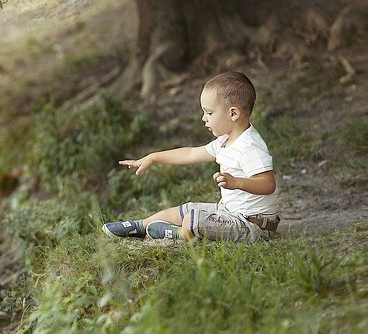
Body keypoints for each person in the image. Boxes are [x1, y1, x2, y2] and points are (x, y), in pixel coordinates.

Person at [102, 71, 280, 243]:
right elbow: (190, 153)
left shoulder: (249, 147)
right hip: (229, 212)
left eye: (209, 113)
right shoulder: (224, 140)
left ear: (233, 113)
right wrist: (153, 157)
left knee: (195, 220)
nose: (204, 118)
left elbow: (268, 184)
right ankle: (140, 227)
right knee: (186, 210)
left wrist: (236, 182)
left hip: (251, 225)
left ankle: (182, 234)